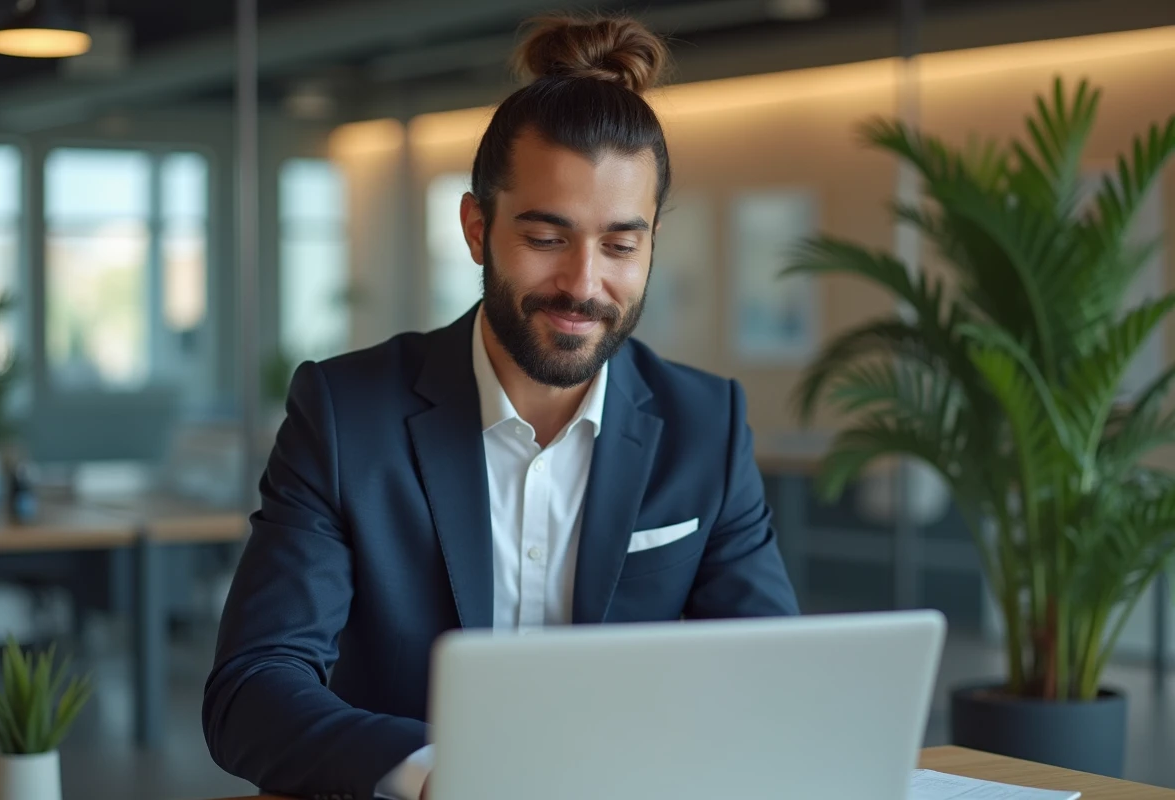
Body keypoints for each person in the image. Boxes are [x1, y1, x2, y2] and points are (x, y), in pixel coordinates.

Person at [202, 12, 799, 800]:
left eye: (621, 244)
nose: (584, 284)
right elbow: (251, 689)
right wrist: (438, 773)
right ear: (477, 229)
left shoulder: (706, 427)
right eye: (548, 238)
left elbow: (776, 687)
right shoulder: (348, 415)